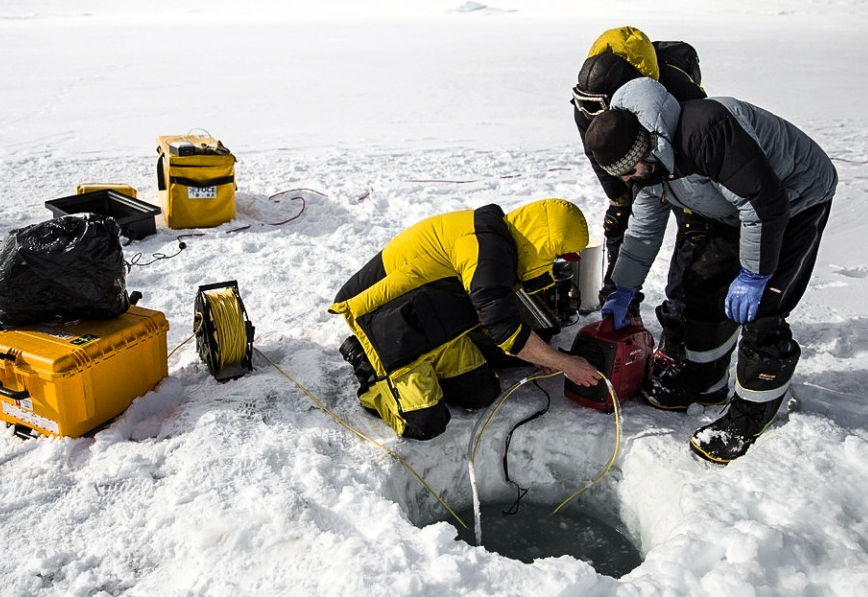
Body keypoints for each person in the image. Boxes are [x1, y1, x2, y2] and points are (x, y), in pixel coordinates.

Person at [584, 77, 837, 463]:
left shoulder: (706, 130)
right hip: (735, 209)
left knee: (762, 311)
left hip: (793, 199)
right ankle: (706, 378)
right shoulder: (649, 168)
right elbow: (643, 230)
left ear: (647, 147)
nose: (625, 181)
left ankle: (750, 417)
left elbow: (763, 201)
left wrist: (754, 275)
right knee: (700, 285)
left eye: (628, 171)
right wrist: (622, 288)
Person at [329, 199, 599, 440]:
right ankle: (366, 361)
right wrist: (564, 363)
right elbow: (505, 331)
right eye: (555, 256)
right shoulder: (485, 249)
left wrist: (541, 356)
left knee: (480, 393)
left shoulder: (500, 244)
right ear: (542, 243)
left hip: (431, 321)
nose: (555, 266)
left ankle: (428, 369)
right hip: (382, 320)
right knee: (425, 423)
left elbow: (492, 313)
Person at [570, 26, 707, 379]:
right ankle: (622, 302)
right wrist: (618, 198)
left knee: (694, 232)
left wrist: (692, 203)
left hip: (678, 160)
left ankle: (680, 321)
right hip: (629, 153)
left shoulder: (679, 93)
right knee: (625, 222)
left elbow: (697, 148)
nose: (590, 115)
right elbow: (596, 153)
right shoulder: (587, 104)